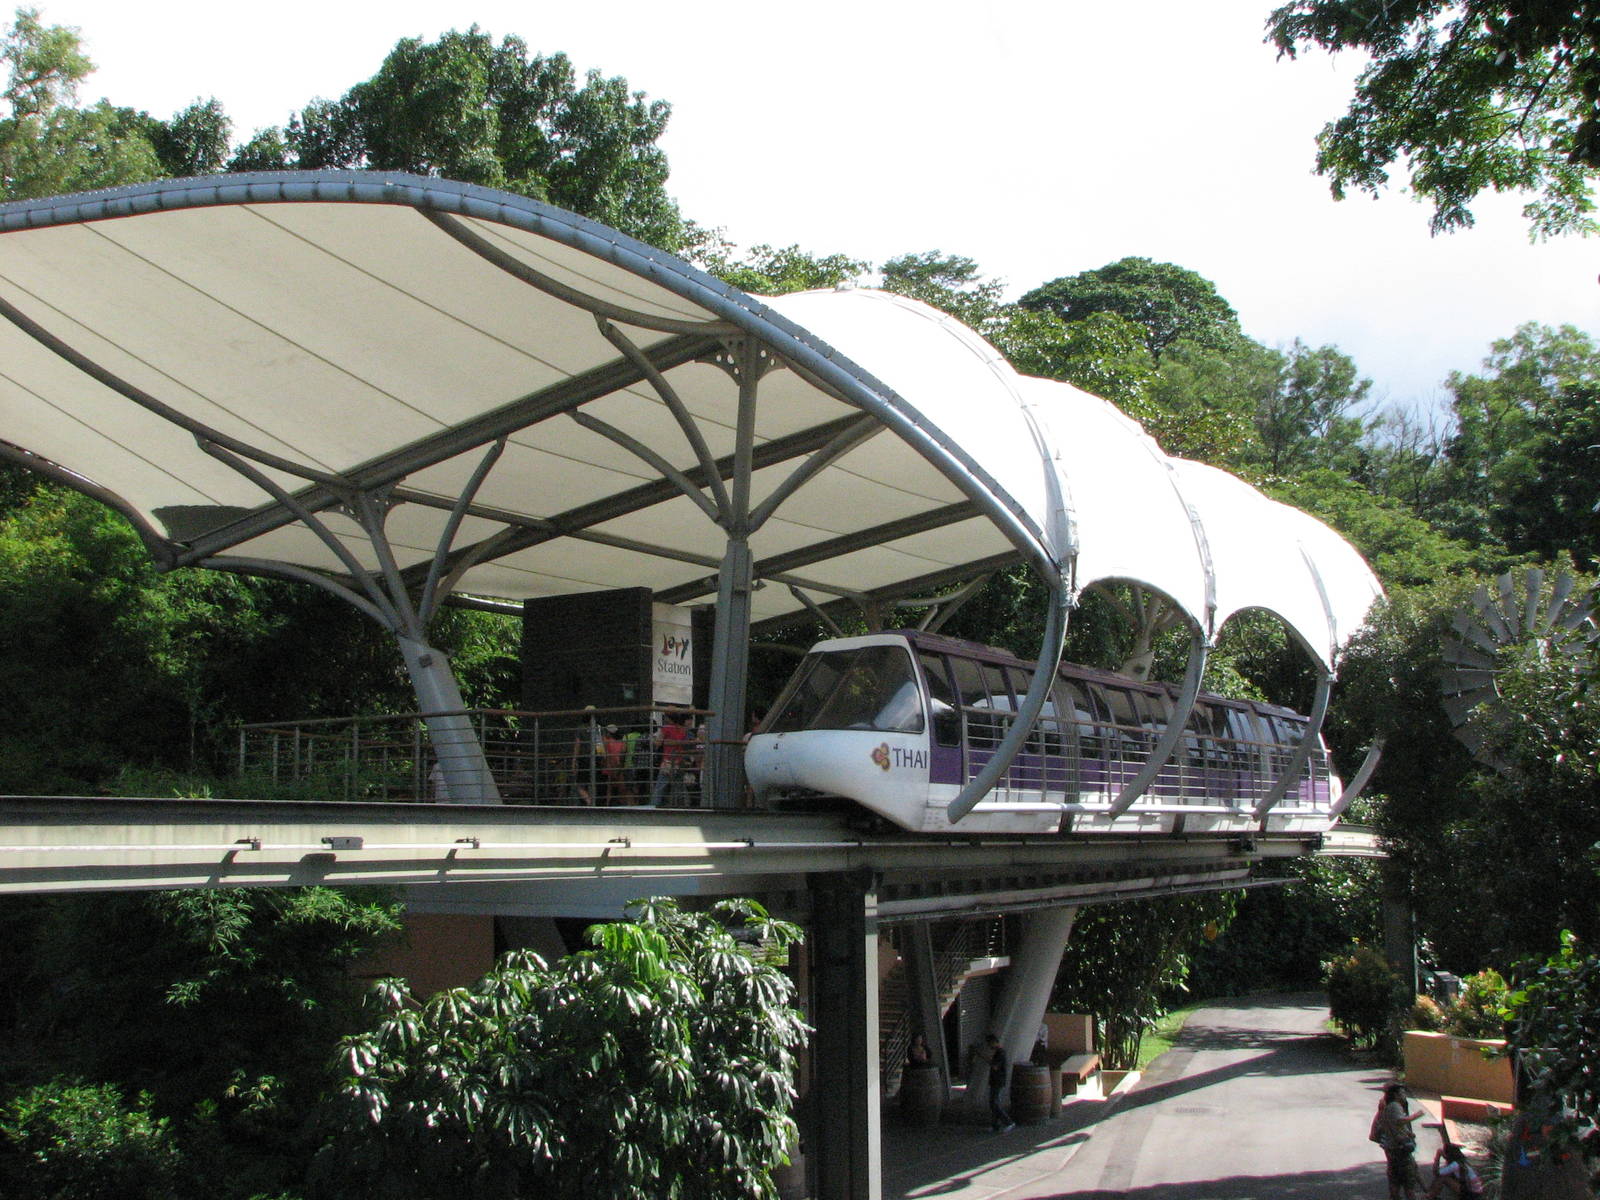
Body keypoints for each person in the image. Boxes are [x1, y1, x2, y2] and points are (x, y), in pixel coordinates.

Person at [1375, 1083, 1425, 1200]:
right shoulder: (1395, 1106)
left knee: (1395, 1180)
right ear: (1396, 1095)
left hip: (1392, 1148)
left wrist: (1408, 1133)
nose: (1405, 1095)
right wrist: (1416, 1115)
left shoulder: (1387, 1107)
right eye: (1402, 1093)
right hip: (1400, 1149)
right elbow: (1400, 1121)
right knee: (1409, 1183)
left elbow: (1391, 1124)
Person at [986, 1034, 1014, 1133]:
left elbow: (995, 1067)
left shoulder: (1000, 1053)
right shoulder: (999, 1052)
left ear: (994, 1042)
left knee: (994, 1103)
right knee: (994, 1103)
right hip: (996, 1080)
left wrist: (987, 1059)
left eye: (990, 1043)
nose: (989, 1046)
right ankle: (995, 1125)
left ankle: (1008, 1122)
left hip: (997, 1080)